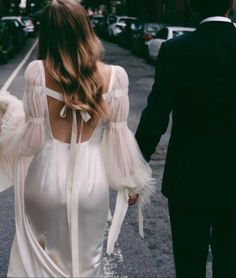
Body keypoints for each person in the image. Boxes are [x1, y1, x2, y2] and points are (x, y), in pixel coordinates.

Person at [0, 0, 155, 277]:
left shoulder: (38, 72)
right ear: (85, 28)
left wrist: (9, 114)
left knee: (37, 260)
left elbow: (32, 140)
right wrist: (131, 183)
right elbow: (118, 140)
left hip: (45, 179)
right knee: (86, 263)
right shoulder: (115, 77)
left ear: (47, 32)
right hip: (91, 181)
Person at [135, 0, 236, 277]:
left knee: (189, 265)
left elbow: (156, 115)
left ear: (192, 7)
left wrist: (134, 166)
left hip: (187, 178)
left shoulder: (175, 50)